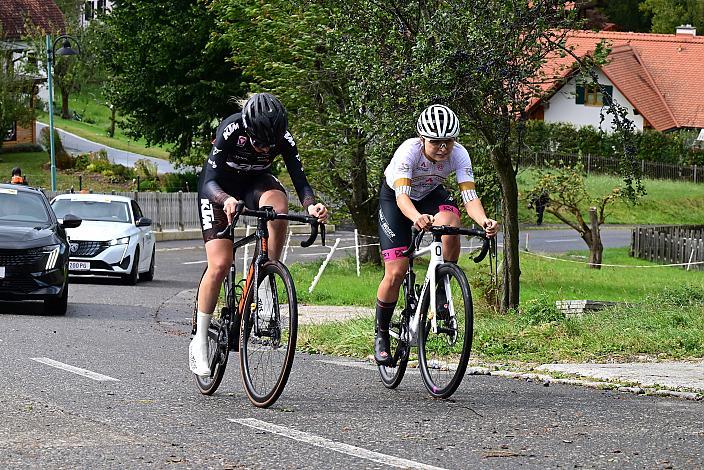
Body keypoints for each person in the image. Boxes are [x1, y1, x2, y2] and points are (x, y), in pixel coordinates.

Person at [189, 92, 328, 376]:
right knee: (219, 264)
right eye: (259, 142)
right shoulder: (231, 129)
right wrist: (225, 199)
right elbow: (209, 181)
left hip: (254, 184)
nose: (265, 149)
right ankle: (199, 340)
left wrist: (312, 205)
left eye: (270, 144)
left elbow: (300, 181)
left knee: (278, 204)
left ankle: (264, 277)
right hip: (219, 190)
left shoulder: (283, 137)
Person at [374, 104, 499, 365]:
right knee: (396, 271)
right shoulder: (408, 152)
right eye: (436, 143)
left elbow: (469, 196)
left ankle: (441, 284)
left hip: (431, 194)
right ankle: (382, 332)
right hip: (397, 201)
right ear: (422, 139)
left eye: (448, 142)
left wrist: (484, 220)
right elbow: (402, 197)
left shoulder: (460, 154)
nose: (443, 148)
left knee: (451, 223)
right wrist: (415, 218)